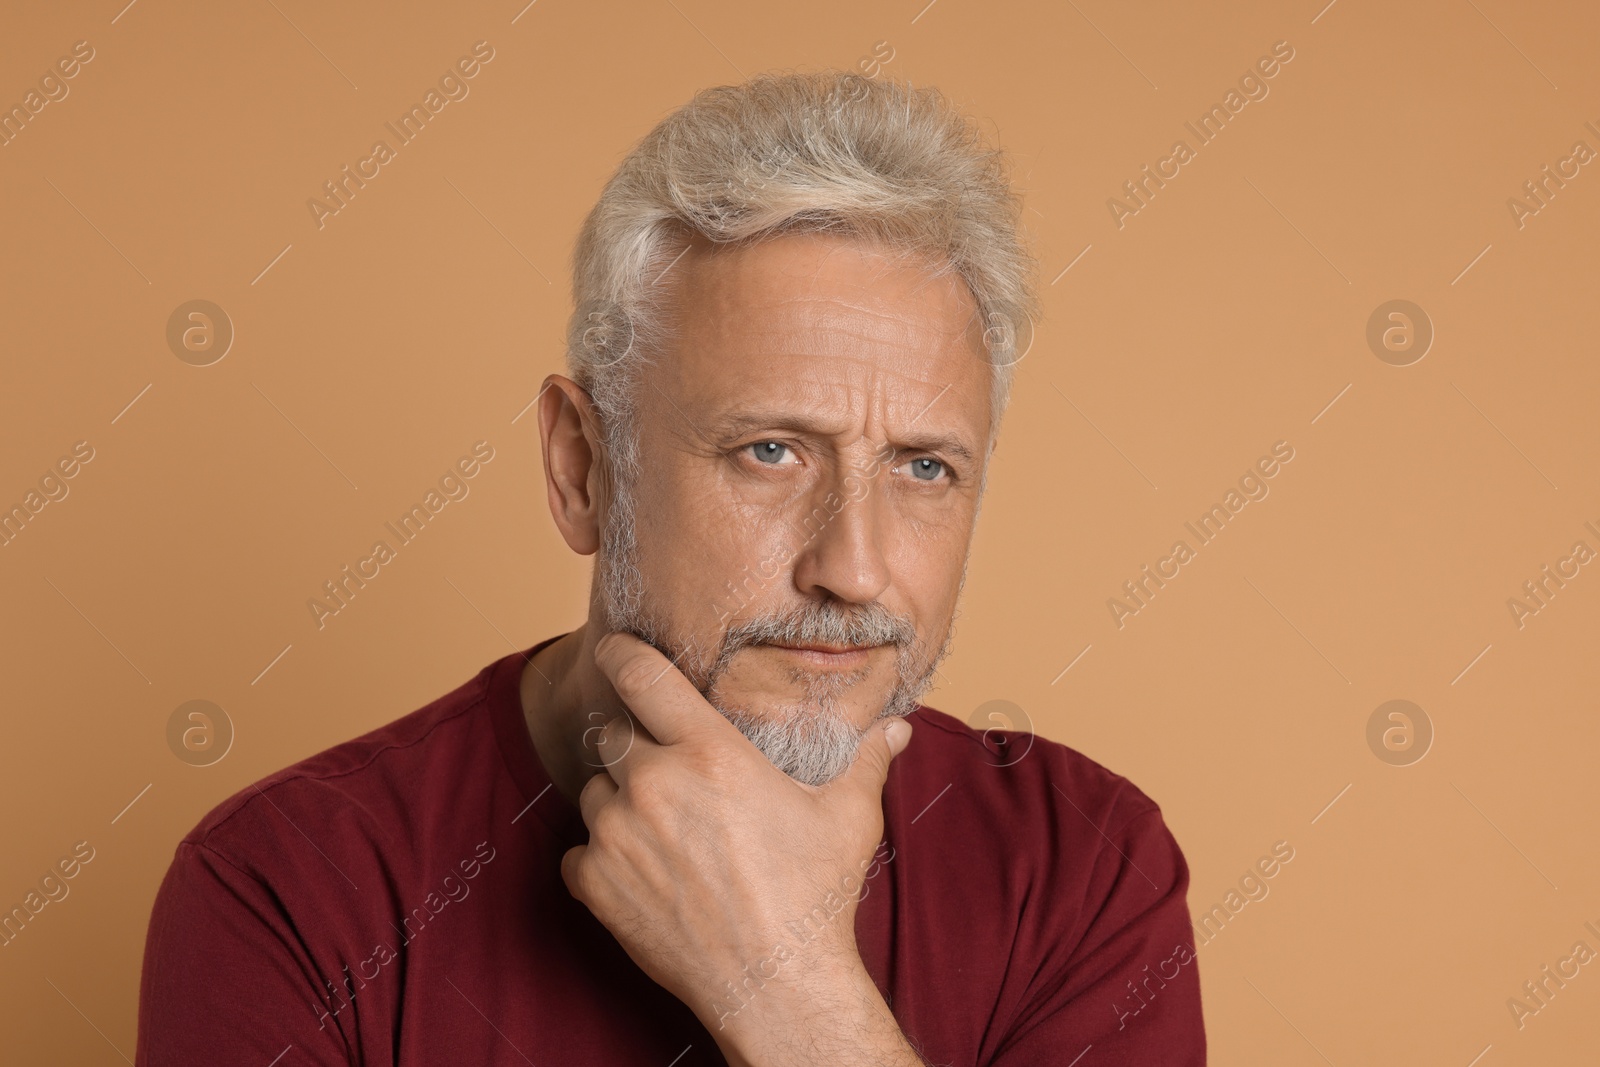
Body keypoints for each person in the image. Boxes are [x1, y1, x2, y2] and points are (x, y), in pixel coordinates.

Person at [137, 70, 1205, 1065]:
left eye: (923, 466)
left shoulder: (1081, 867)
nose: (855, 567)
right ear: (581, 467)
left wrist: (783, 987)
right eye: (770, 452)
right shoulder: (287, 887)